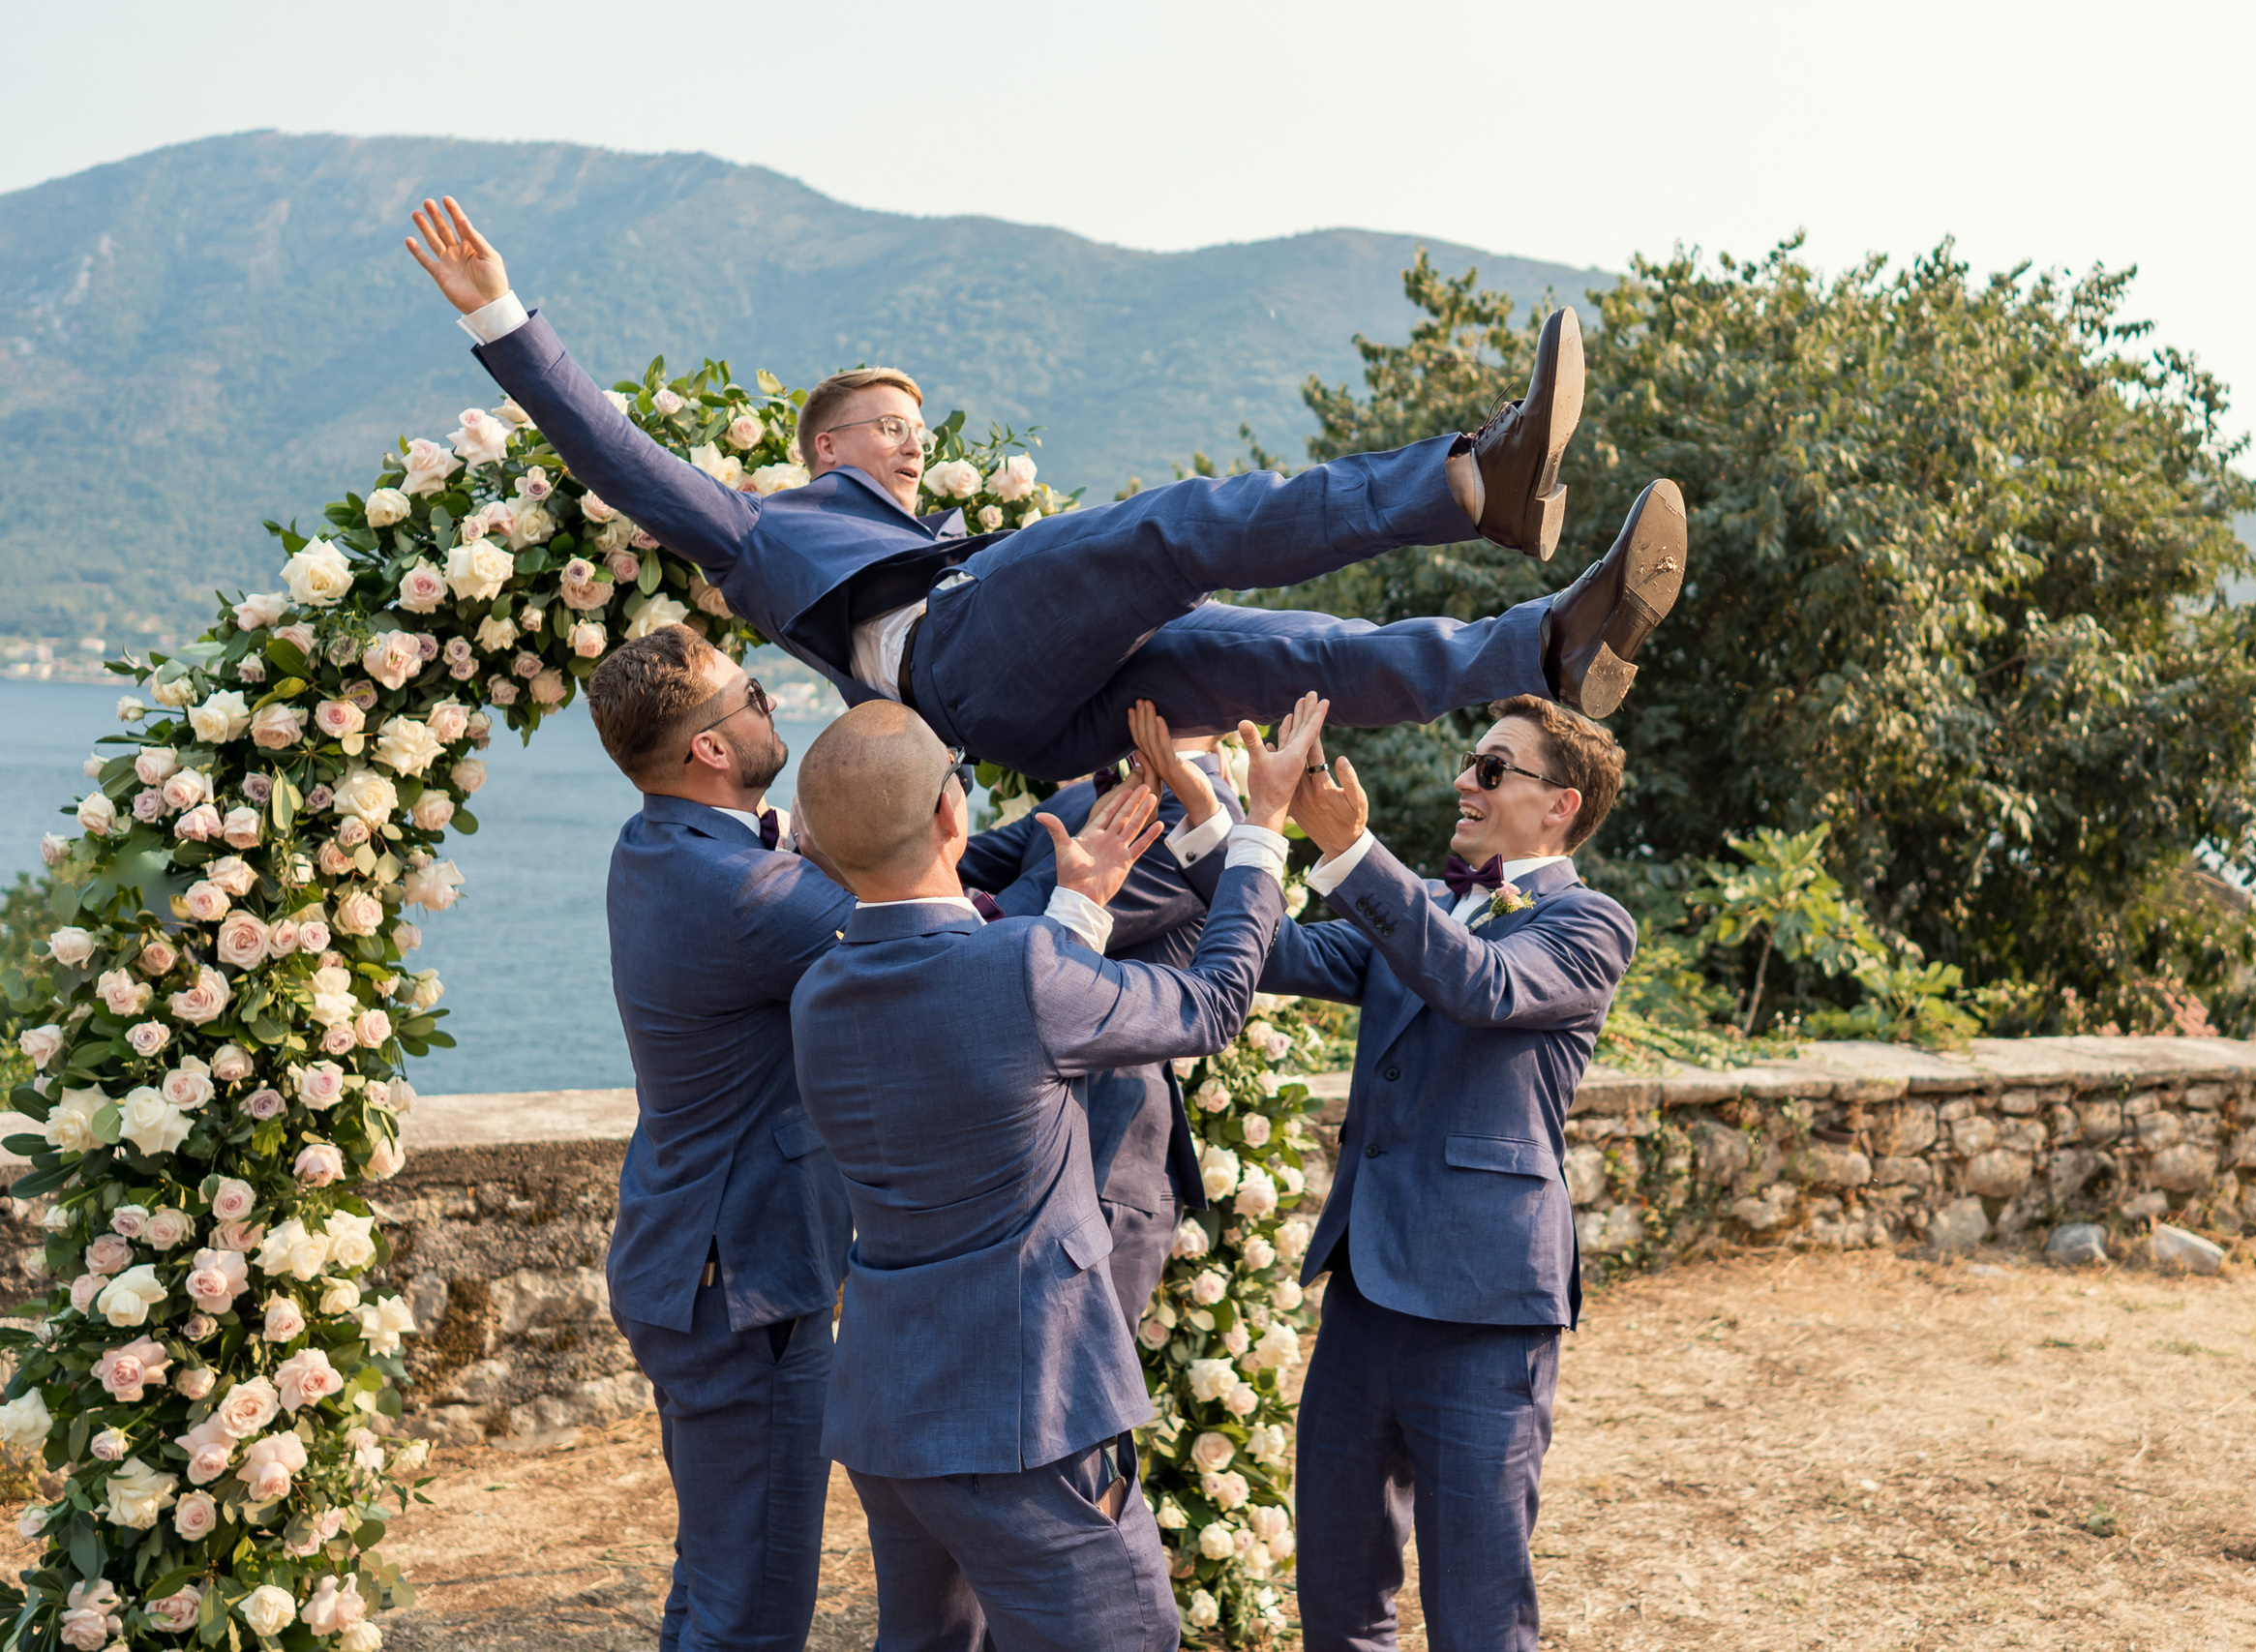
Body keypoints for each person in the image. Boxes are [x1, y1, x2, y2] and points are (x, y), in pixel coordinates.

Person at [404, 196, 1691, 779]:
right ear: (825, 452)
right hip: (963, 668)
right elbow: (621, 458)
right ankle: (1468, 485)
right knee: (1172, 529)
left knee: (1284, 657)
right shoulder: (766, 528)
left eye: (919, 432)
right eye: (888, 430)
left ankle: (1547, 646)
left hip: (1033, 712)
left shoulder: (938, 534)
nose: (913, 447)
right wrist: (503, 317)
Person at [788, 691, 1329, 1651]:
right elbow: (1210, 1007)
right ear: (951, 811)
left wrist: (1076, 906)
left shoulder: (819, 992)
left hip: (888, 1408)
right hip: (1027, 1413)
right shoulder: (1024, 967)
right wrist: (1262, 829)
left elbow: (980, 1028)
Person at [1259, 695, 1639, 1652]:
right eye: (1471, 761)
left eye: (1492, 767)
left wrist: (1350, 850)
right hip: (1363, 1293)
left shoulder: (1590, 923)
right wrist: (1228, 819)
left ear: (1560, 805)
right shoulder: (1419, 904)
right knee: (1336, 1597)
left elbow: (1481, 984)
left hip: (1485, 1307)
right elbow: (1277, 951)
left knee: (1477, 1614)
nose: (1463, 780)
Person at [581, 621, 846, 1652]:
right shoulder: (746, 891)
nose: (771, 705)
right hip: (745, 1287)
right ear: (711, 747)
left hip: (682, 1259)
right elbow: (929, 930)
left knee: (712, 1576)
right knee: (754, 1610)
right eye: (754, 698)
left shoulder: (654, 844)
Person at [957, 702, 1243, 1330]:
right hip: (1023, 1136)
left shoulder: (1203, 818)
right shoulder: (1078, 798)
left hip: (1106, 1148)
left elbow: (1029, 933)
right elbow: (952, 867)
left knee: (1086, 1370)